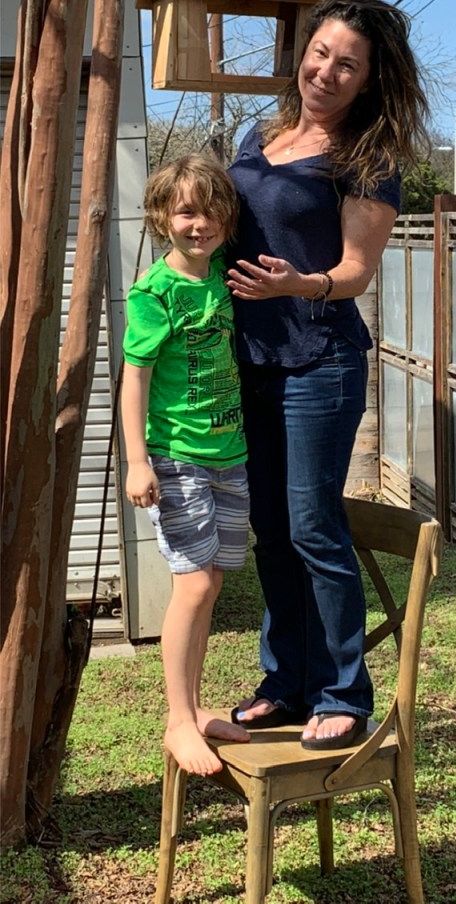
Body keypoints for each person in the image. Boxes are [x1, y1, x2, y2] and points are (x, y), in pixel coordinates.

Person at [227, 0, 430, 750]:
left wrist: (296, 283)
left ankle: (344, 692)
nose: (326, 70)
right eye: (320, 52)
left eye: (347, 64)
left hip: (320, 360)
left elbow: (353, 272)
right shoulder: (263, 132)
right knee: (270, 531)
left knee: (313, 527)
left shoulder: (367, 158)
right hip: (249, 358)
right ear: (303, 50)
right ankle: (285, 684)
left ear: (370, 79)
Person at [121, 154, 251, 776]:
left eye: (212, 212)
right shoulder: (156, 292)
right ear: (161, 218)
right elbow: (134, 377)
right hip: (176, 457)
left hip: (229, 453)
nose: (200, 224)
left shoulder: (221, 271)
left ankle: (197, 710)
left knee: (213, 583)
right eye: (186, 212)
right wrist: (136, 461)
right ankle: (178, 720)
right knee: (193, 584)